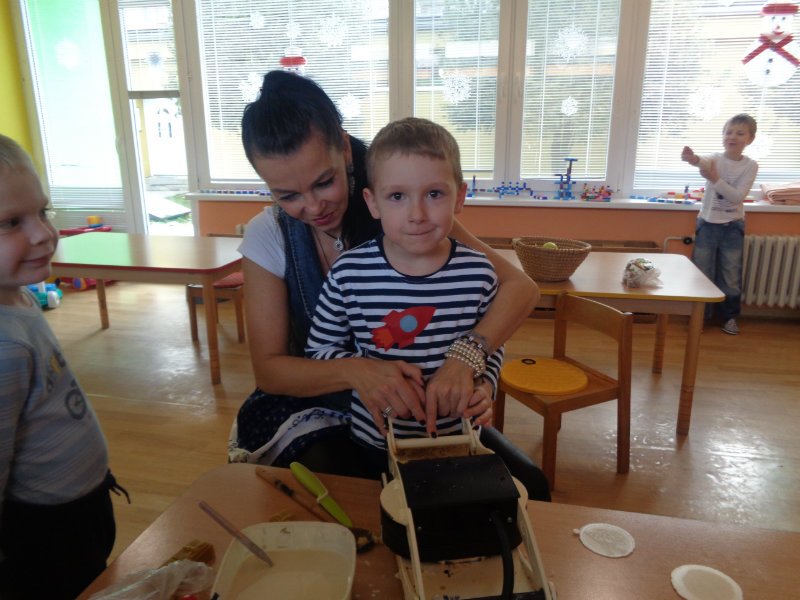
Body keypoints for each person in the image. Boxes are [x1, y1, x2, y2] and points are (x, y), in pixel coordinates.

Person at [232, 71, 545, 497]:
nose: (313, 206)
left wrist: (468, 362)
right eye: (287, 195)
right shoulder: (270, 234)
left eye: (324, 182)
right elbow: (271, 372)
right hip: (320, 405)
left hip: (430, 416)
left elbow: (520, 289)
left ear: (345, 150)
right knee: (352, 497)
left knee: (527, 488)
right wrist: (357, 370)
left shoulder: (405, 209)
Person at [304, 117, 550, 500]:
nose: (416, 213)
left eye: (434, 194)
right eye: (397, 196)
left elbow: (492, 345)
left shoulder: (480, 272)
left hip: (460, 442)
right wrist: (362, 371)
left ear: (460, 196)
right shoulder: (348, 273)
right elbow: (320, 351)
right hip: (375, 444)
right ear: (372, 202)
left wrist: (486, 385)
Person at [0, 134, 127, 600]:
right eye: (11, 222)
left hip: (81, 503)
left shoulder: (16, 296)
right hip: (46, 533)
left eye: (43, 211)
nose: (43, 233)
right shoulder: (3, 346)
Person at [681, 114, 758, 335]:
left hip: (733, 226)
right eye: (729, 132)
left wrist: (715, 178)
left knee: (731, 276)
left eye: (740, 133)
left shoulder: (750, 166)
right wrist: (693, 158)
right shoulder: (715, 158)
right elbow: (703, 161)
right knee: (701, 272)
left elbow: (736, 197)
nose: (732, 137)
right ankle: (699, 316)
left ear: (750, 139)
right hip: (707, 224)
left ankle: (729, 317)